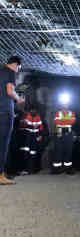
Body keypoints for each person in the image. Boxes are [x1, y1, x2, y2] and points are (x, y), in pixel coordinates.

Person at [0, 56, 24, 184]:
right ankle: (0, 175)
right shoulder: (10, 72)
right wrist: (18, 98)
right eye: (19, 68)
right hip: (4, 112)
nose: (18, 70)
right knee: (3, 143)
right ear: (16, 64)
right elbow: (10, 91)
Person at [18, 105, 43, 175]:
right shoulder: (26, 116)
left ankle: (31, 170)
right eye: (32, 110)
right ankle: (25, 169)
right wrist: (33, 127)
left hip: (34, 138)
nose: (33, 111)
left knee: (33, 154)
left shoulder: (38, 117)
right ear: (30, 110)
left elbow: (40, 127)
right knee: (25, 154)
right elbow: (24, 125)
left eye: (35, 110)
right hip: (27, 137)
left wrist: (39, 135)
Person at [52, 104, 76, 174]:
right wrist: (66, 121)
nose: (65, 107)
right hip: (59, 132)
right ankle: (57, 169)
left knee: (68, 150)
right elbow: (56, 122)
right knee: (58, 150)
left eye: (66, 105)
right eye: (64, 105)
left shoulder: (71, 113)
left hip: (68, 133)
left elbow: (72, 122)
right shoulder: (58, 113)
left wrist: (62, 121)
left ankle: (67, 169)